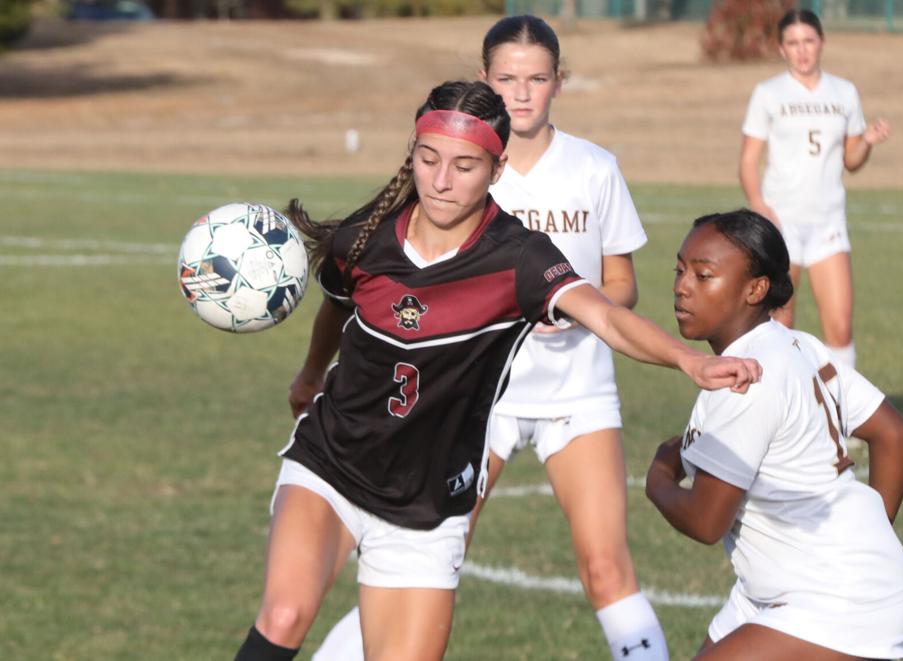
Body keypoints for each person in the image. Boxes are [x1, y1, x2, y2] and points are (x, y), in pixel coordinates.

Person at [234, 79, 761, 661]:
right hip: (331, 465)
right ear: (411, 152)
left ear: (497, 167)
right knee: (284, 615)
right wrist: (310, 377)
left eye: (463, 165)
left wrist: (689, 358)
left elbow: (608, 318)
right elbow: (336, 308)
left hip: (429, 504)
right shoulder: (366, 236)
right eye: (428, 158)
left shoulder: (519, 256)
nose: (440, 180)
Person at [315, 15, 674, 660]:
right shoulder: (462, 169)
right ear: (485, 80)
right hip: (476, 399)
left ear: (559, 82)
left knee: (606, 567)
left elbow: (622, 283)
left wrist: (574, 307)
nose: (523, 91)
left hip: (578, 394)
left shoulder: (594, 168)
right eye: (507, 78)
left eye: (538, 78)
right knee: (423, 555)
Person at [646, 209, 903, 660]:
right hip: (779, 588)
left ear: (756, 288)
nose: (682, 286)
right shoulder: (796, 343)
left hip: (833, 598)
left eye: (703, 274)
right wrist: (871, 538)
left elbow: (706, 520)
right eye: (679, 270)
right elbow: (894, 433)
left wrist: (658, 479)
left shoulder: (746, 378)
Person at [739, 8, 892, 369]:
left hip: (827, 223)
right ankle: (780, 417)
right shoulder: (768, 93)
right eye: (792, 43)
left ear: (822, 42)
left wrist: (866, 141)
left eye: (808, 41)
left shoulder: (844, 92)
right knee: (779, 326)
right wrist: (760, 206)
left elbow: (851, 161)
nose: (802, 50)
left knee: (839, 327)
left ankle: (841, 421)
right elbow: (748, 162)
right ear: (781, 49)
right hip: (783, 224)